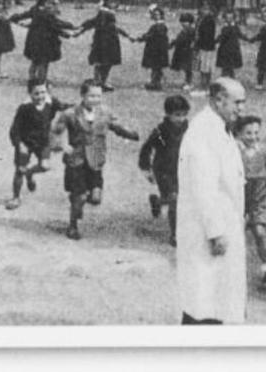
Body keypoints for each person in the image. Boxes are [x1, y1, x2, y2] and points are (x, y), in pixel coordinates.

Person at [176, 78, 248, 324]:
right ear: (218, 100)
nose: (241, 109)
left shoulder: (218, 126)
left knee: (214, 298)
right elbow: (203, 186)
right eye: (237, 102)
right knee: (204, 300)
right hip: (209, 229)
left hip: (222, 221)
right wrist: (216, 231)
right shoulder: (203, 130)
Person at [50, 79, 139, 240]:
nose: (95, 100)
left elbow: (116, 125)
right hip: (76, 161)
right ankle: (73, 225)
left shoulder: (104, 112)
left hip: (96, 160)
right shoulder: (70, 113)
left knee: (95, 198)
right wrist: (62, 145)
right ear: (83, 95)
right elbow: (56, 131)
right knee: (80, 196)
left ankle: (79, 201)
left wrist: (131, 134)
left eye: (98, 96)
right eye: (91, 96)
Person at [5, 79, 72, 210]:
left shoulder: (51, 102)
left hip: (43, 141)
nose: (41, 96)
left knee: (45, 166)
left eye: (43, 92)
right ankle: (16, 197)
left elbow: (63, 107)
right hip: (26, 142)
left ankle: (30, 174)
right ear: (30, 93)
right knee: (19, 170)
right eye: (36, 93)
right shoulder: (24, 108)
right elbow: (15, 129)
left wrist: (77, 106)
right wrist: (19, 144)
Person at [139, 94, 191, 245]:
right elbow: (146, 149)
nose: (180, 119)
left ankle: (158, 201)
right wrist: (146, 168)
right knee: (174, 199)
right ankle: (175, 234)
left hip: (183, 169)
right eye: (177, 115)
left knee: (180, 200)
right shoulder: (160, 132)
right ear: (168, 114)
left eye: (183, 115)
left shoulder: (190, 130)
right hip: (164, 170)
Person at [235, 115, 266, 286]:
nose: (253, 137)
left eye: (256, 132)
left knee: (260, 232)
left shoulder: (264, 151)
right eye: (248, 133)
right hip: (238, 198)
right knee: (235, 235)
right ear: (238, 134)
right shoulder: (234, 150)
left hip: (257, 199)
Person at [10, 0, 76, 85]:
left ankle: (32, 78)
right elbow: (55, 25)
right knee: (43, 62)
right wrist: (70, 28)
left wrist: (14, 18)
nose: (51, 5)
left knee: (35, 61)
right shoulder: (47, 14)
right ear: (45, 3)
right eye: (50, 3)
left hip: (33, 41)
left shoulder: (35, 10)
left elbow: (24, 15)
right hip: (45, 43)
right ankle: (41, 80)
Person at [75, 0, 129, 91]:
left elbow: (92, 22)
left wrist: (81, 28)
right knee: (103, 62)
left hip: (104, 41)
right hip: (106, 42)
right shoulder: (105, 13)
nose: (115, 4)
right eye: (113, 2)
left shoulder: (105, 13)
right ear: (107, 3)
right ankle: (100, 82)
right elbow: (101, 24)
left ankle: (100, 81)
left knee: (102, 62)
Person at [135, 6, 171, 91]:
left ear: (161, 15)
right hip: (155, 49)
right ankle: (155, 82)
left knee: (156, 67)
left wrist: (140, 38)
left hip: (157, 50)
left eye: (158, 14)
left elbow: (151, 35)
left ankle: (155, 83)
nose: (156, 16)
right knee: (156, 67)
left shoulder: (160, 25)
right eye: (155, 14)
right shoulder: (157, 25)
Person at [194, 0, 218, 91]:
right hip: (201, 45)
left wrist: (200, 42)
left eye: (207, 9)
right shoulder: (200, 19)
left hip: (207, 46)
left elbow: (207, 34)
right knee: (202, 66)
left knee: (206, 67)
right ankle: (203, 84)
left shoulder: (209, 20)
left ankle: (205, 85)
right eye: (203, 9)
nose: (204, 11)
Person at [170, 12, 197, 92]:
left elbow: (189, 40)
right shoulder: (184, 30)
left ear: (190, 22)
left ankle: (189, 82)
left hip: (188, 52)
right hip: (182, 51)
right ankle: (187, 81)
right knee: (185, 68)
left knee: (188, 68)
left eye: (186, 22)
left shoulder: (191, 30)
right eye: (182, 21)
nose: (184, 23)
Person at [215, 9, 244, 80]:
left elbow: (240, 35)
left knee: (231, 67)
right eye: (227, 18)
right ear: (225, 18)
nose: (229, 19)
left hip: (233, 49)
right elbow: (221, 37)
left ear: (233, 18)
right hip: (224, 49)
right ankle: (224, 81)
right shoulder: (224, 27)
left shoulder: (235, 27)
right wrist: (214, 42)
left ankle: (231, 81)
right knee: (224, 67)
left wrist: (249, 39)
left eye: (231, 18)